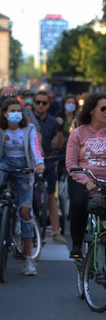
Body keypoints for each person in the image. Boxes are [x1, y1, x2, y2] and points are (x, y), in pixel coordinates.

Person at [65, 93, 106, 258]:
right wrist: (86, 182)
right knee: (79, 205)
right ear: (92, 110)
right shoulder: (78, 133)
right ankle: (77, 244)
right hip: (82, 179)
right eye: (103, 108)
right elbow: (71, 163)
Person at [0, 98, 45, 275]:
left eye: (19, 110)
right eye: (12, 110)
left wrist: (39, 163)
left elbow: (35, 147)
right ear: (4, 113)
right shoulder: (1, 129)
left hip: (24, 167)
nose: (16, 114)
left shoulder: (29, 129)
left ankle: (28, 260)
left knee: (25, 211)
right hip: (3, 165)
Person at [33, 91, 66, 244]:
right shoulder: (27, 120)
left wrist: (59, 130)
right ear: (34, 103)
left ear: (48, 105)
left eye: (44, 103)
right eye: (38, 102)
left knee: (51, 197)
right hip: (31, 164)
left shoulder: (53, 121)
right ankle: (30, 231)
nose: (41, 105)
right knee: (29, 198)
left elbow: (58, 145)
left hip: (49, 162)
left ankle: (55, 232)